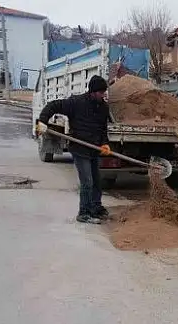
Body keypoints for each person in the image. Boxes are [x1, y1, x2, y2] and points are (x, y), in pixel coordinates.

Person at [36, 75, 111, 224]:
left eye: (104, 92)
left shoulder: (103, 107)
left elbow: (103, 128)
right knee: (87, 182)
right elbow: (52, 105)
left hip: (94, 149)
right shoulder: (76, 103)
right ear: (92, 91)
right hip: (80, 149)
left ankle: (96, 207)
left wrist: (105, 143)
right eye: (101, 92)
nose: (103, 95)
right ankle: (84, 213)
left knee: (97, 181)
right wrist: (42, 121)